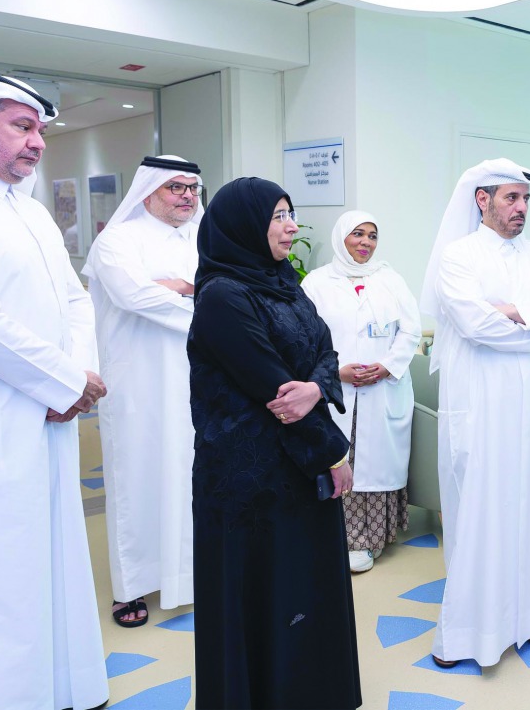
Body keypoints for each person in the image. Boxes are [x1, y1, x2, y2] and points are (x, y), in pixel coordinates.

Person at [187, 177, 361, 708]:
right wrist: (333, 451)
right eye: (278, 216)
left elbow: (325, 350)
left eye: (292, 213)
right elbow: (273, 388)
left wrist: (317, 386)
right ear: (243, 227)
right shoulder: (222, 297)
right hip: (250, 480)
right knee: (262, 592)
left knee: (305, 587)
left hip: (296, 470)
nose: (291, 226)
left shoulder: (286, 282)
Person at [0, 69, 109, 709]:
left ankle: (64, 687)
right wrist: (61, 382)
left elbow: (75, 302)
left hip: (49, 417)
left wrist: (75, 382)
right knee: (2, 573)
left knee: (55, 558)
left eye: (40, 131)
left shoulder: (32, 213)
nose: (36, 144)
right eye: (21, 127)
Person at [419, 158, 530, 668]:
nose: (521, 209)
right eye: (511, 198)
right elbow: (474, 325)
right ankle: (472, 635)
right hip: (481, 397)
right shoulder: (458, 256)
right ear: (481, 199)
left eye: (526, 199)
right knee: (482, 507)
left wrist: (515, 310)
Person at [83, 155, 202, 628]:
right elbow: (135, 296)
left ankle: (191, 576)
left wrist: (183, 286)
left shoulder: (202, 239)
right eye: (176, 188)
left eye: (192, 187)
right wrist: (195, 296)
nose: (187, 196)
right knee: (137, 480)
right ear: (148, 190)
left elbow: (226, 291)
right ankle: (130, 586)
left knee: (193, 477)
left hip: (197, 378)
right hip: (138, 386)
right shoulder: (117, 240)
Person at [302, 211, 421, 573]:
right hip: (337, 389)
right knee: (339, 460)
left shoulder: (391, 280)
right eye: (358, 234)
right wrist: (335, 373)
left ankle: (369, 540)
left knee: (376, 465)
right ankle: (330, 540)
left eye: (372, 236)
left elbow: (411, 331)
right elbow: (303, 339)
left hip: (383, 387)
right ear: (341, 237)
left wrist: (387, 366)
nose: (365, 243)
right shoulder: (316, 283)